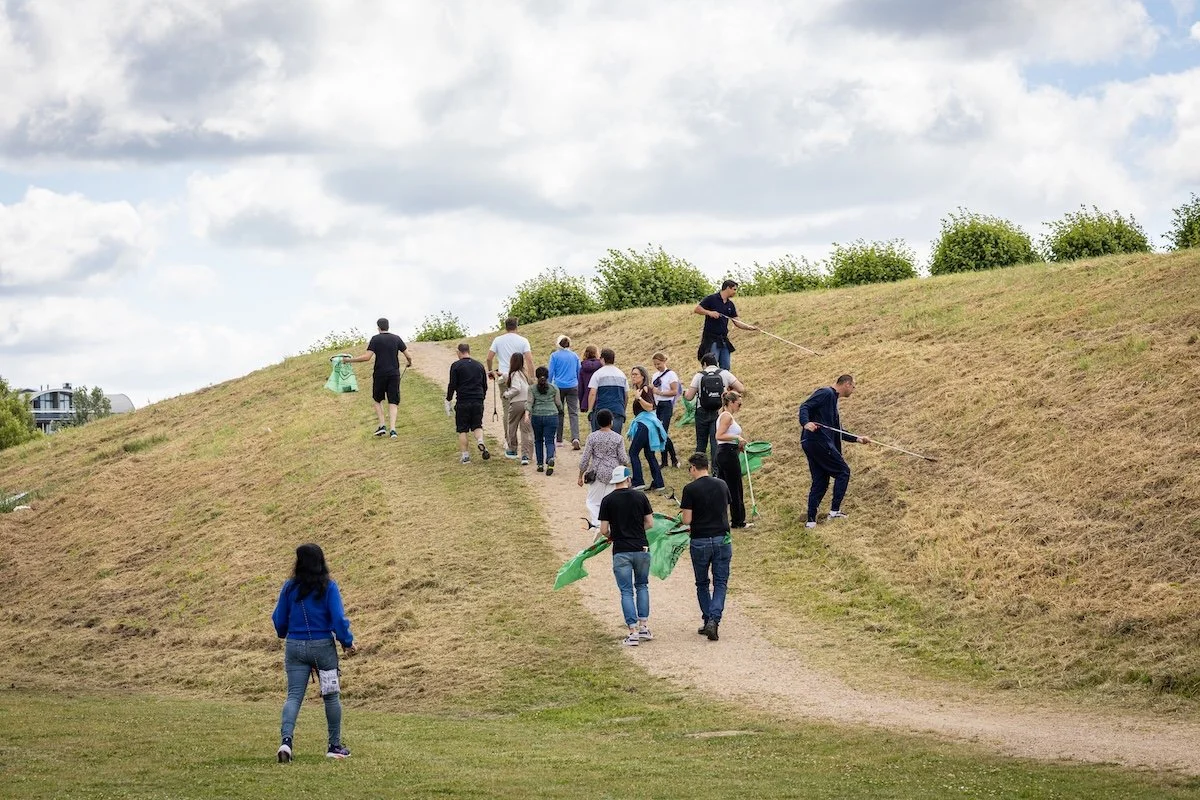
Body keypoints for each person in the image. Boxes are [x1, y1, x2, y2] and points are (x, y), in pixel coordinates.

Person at [272, 543, 357, 761]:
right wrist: (346, 641)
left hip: (295, 647)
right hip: (323, 649)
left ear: (298, 562)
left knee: (293, 697)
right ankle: (334, 746)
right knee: (330, 696)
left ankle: (286, 743)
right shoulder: (328, 587)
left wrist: (284, 632)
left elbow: (279, 619)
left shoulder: (289, 587)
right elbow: (338, 618)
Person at [798, 374, 872, 528]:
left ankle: (811, 521)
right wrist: (806, 423)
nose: (854, 389)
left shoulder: (833, 402)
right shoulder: (826, 393)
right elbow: (805, 406)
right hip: (818, 441)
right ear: (846, 384)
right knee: (843, 472)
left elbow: (837, 431)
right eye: (853, 386)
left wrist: (857, 438)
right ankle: (834, 512)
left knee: (821, 480)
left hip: (812, 443)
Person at [597, 465, 654, 646]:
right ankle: (644, 626)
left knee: (626, 591)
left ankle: (632, 631)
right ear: (628, 479)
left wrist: (614, 535)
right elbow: (650, 523)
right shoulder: (640, 496)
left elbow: (604, 530)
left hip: (621, 550)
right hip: (641, 548)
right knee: (642, 586)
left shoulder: (607, 500)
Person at [679, 453, 732, 641]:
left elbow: (687, 520)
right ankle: (714, 620)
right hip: (721, 539)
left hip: (700, 540)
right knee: (720, 582)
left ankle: (708, 618)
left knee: (702, 583)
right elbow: (725, 511)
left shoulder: (690, 489)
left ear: (693, 467)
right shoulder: (722, 484)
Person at [345, 318, 411, 439]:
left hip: (380, 373)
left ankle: (382, 425)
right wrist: (409, 362)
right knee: (393, 401)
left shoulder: (375, 339)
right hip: (394, 374)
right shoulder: (396, 338)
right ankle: (393, 430)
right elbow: (408, 355)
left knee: (377, 399)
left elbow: (367, 357)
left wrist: (349, 360)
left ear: (378, 327)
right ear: (388, 326)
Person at [683, 353, 745, 478]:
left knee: (701, 442)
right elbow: (741, 388)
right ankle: (716, 472)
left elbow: (689, 397)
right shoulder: (725, 373)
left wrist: (684, 393)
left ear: (704, 364)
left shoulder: (699, 375)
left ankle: (698, 469)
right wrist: (727, 392)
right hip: (718, 411)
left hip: (702, 411)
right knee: (715, 442)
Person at [577, 409, 631, 529]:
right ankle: (611, 525)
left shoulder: (592, 437)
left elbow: (585, 458)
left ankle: (597, 524)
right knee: (612, 501)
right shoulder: (618, 438)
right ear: (611, 422)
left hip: (597, 472)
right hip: (614, 473)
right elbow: (623, 458)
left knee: (593, 501)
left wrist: (580, 475)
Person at [487, 318, 533, 457]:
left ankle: (509, 441)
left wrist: (491, 372)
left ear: (505, 327)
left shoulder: (498, 340)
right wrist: (532, 378)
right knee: (525, 408)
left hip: (504, 378)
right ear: (516, 326)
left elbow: (489, 358)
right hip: (520, 377)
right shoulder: (523, 340)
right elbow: (529, 360)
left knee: (508, 410)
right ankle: (526, 446)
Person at [693, 279, 756, 370]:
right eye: (734, 289)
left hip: (723, 339)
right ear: (727, 288)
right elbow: (697, 309)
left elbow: (737, 322)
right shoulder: (711, 299)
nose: (735, 292)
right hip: (711, 340)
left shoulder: (730, 305)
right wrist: (709, 313)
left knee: (726, 367)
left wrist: (750, 327)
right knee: (712, 367)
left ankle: (725, 383)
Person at [445, 342, 490, 464]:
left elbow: (452, 385)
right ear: (469, 351)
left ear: (458, 352)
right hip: (477, 400)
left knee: (462, 429)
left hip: (463, 401)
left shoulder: (456, 366)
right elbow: (484, 385)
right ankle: (480, 440)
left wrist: (448, 399)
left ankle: (465, 456)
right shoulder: (479, 365)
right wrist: (482, 398)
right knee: (477, 425)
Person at [626, 365, 666, 491]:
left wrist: (639, 398)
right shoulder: (642, 389)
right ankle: (659, 483)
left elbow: (650, 407)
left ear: (643, 376)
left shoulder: (645, 389)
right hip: (648, 425)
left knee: (633, 452)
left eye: (636, 374)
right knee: (649, 454)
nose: (633, 377)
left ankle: (638, 481)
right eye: (632, 374)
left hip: (645, 425)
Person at [715, 390, 750, 529]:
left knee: (723, 489)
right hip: (727, 454)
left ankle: (721, 518)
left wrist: (738, 444)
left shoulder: (724, 415)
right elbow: (719, 435)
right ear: (730, 402)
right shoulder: (727, 416)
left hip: (727, 452)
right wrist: (737, 438)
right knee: (735, 488)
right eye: (738, 404)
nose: (739, 407)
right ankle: (738, 521)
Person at [548, 335, 582, 450]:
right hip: (573, 385)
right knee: (573, 413)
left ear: (558, 344)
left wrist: (548, 384)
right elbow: (579, 371)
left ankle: (559, 439)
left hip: (558, 386)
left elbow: (551, 372)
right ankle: (575, 437)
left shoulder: (554, 356)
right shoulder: (574, 356)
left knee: (559, 412)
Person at [528, 365, 563, 475]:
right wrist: (561, 410)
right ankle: (550, 458)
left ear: (536, 376)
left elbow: (530, 402)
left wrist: (527, 413)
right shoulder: (554, 388)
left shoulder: (532, 388)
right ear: (548, 376)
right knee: (549, 440)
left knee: (538, 440)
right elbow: (558, 403)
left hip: (537, 416)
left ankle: (539, 464)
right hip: (552, 415)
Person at [502, 353, 534, 465]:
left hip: (517, 403)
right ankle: (526, 455)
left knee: (512, 426)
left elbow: (516, 388)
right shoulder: (524, 374)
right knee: (526, 430)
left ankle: (512, 449)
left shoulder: (514, 374)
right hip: (527, 403)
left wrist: (507, 394)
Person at [586, 348, 628, 434]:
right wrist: (623, 409)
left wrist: (590, 411)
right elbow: (626, 395)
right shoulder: (621, 374)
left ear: (602, 359)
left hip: (602, 411)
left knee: (599, 439)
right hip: (617, 410)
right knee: (615, 439)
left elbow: (592, 394)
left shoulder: (598, 374)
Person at [650, 352, 680, 469]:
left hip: (666, 404)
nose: (657, 366)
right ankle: (665, 460)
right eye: (655, 364)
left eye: (659, 363)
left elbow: (674, 391)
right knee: (659, 432)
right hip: (658, 405)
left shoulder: (671, 374)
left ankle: (673, 458)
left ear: (664, 361)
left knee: (663, 432)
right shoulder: (655, 375)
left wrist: (661, 393)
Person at [577, 345, 602, 416]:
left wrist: (582, 402)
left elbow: (580, 387)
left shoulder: (583, 368)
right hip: (601, 398)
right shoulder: (601, 366)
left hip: (587, 398)